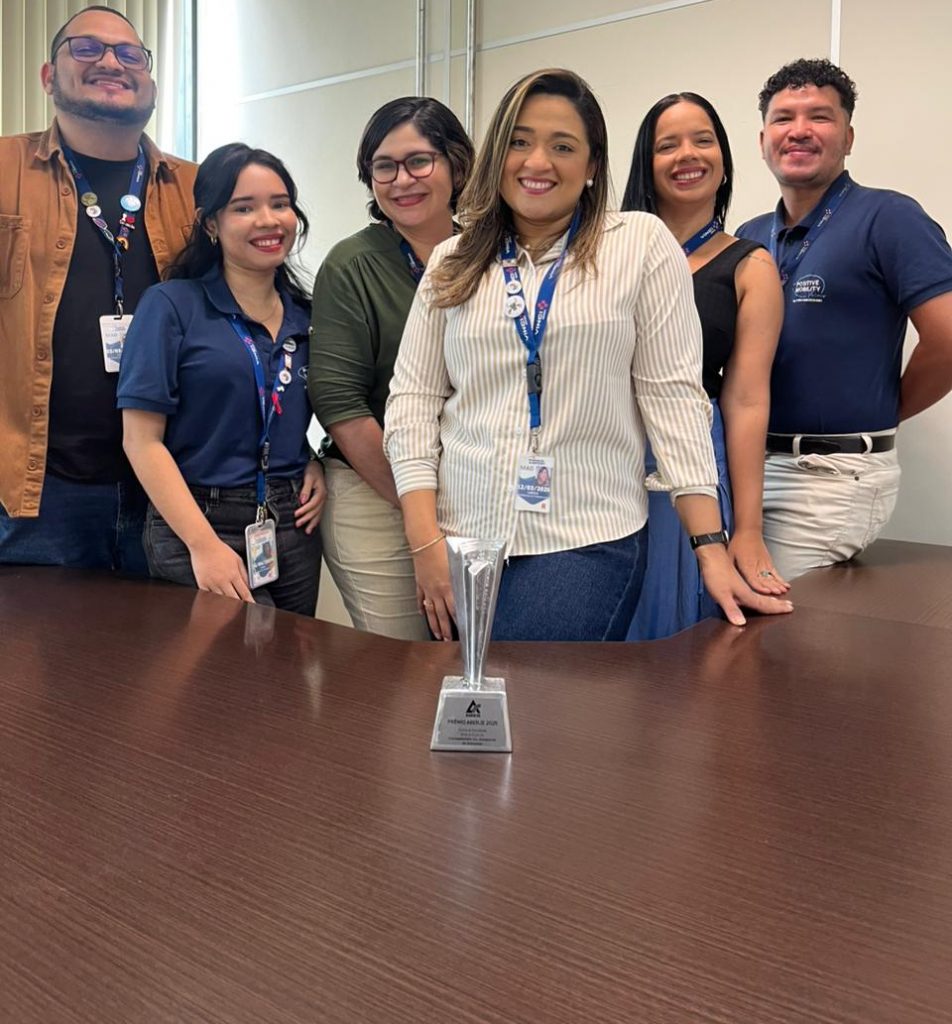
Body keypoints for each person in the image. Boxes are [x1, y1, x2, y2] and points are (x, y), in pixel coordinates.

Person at [384, 68, 793, 642]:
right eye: (520, 142)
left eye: (562, 146)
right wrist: (425, 543)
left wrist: (711, 548)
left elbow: (673, 397)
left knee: (538, 713)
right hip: (462, 537)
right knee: (469, 720)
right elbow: (412, 404)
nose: (537, 162)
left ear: (594, 163)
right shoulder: (452, 260)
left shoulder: (640, 245)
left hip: (585, 536)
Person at [736, 58, 952, 580]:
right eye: (784, 118)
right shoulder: (749, 233)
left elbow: (948, 341)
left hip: (829, 474)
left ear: (849, 136)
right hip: (745, 468)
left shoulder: (890, 217)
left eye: (820, 117)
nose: (800, 131)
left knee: (762, 634)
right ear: (763, 137)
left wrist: (885, 409)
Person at [0, 5, 196, 572]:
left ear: (150, 81)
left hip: (175, 489)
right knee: (37, 662)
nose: (111, 61)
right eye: (86, 49)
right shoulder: (6, 170)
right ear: (47, 76)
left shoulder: (197, 188)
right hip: (35, 496)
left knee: (172, 661)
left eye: (130, 53)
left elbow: (245, 323)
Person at [117, 143, 325, 615]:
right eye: (243, 208)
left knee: (286, 674)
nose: (268, 220)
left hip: (292, 524)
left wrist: (313, 460)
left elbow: (281, 408)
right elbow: (141, 441)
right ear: (211, 223)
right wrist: (203, 545)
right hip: (199, 520)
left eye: (280, 203)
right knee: (231, 678)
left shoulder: (306, 316)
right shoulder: (172, 306)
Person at [621, 92, 787, 640]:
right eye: (667, 145)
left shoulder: (750, 265)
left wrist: (747, 529)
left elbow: (745, 402)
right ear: (646, 162)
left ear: (724, 158)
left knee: (675, 630)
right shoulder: (608, 253)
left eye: (703, 140)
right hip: (601, 453)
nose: (687, 155)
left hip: (688, 463)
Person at [309, 98, 474, 639]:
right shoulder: (353, 263)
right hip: (377, 494)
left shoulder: (490, 254)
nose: (402, 180)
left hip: (476, 494)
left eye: (419, 161)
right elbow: (339, 404)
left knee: (474, 664)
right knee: (404, 669)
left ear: (456, 164)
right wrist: (421, 514)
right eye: (385, 166)